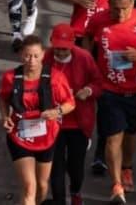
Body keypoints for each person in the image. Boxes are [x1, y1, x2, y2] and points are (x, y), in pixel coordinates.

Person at [90, 0, 136, 203]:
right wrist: (91, 71)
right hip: (109, 89)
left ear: (132, 4)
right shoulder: (99, 20)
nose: (120, 14)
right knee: (113, 137)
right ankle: (117, 184)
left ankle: (127, 167)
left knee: (130, 135)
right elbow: (87, 43)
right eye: (115, 9)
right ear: (108, 5)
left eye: (125, 9)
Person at [0, 35, 75, 205]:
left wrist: (57, 111)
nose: (31, 60)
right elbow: (3, 98)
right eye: (27, 55)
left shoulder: (55, 78)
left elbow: (70, 103)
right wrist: (4, 116)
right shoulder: (11, 77)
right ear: (21, 55)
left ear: (43, 54)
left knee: (41, 186)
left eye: (35, 56)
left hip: (47, 136)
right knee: (29, 186)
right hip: (19, 135)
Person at [43, 24, 101, 205]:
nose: (60, 52)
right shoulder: (46, 58)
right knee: (56, 166)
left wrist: (88, 91)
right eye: (57, 48)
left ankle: (76, 191)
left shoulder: (84, 58)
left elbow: (98, 82)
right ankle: (59, 200)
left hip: (78, 122)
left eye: (64, 49)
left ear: (72, 44)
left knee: (75, 166)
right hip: (54, 122)